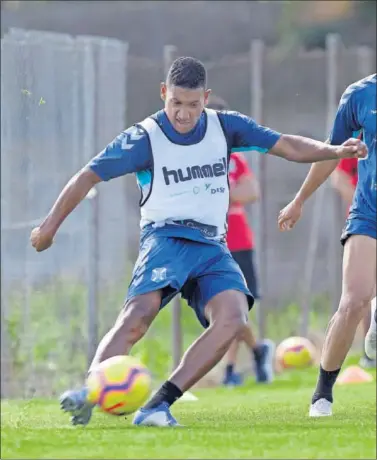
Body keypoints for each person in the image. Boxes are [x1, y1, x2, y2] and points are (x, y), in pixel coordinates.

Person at [30, 57, 367, 428]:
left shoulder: (227, 127)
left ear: (205, 98)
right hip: (166, 238)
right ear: (163, 94)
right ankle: (89, 392)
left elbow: (285, 145)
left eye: (192, 104)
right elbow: (86, 177)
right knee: (138, 317)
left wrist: (334, 150)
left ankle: (158, 406)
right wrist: (48, 227)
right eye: (176, 102)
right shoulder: (145, 137)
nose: (184, 113)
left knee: (233, 317)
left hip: (212, 246)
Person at [278, 74, 376, 417]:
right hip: (369, 213)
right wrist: (299, 199)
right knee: (353, 301)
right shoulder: (361, 96)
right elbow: (331, 152)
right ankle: (322, 394)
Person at [207, 97, 274, 385]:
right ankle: (258, 351)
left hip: (237, 240)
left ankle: (231, 369)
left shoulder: (235, 159)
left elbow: (251, 191)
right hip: (209, 241)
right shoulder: (195, 159)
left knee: (235, 306)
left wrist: (223, 194)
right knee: (224, 306)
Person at [331, 155, 376, 368]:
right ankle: (370, 352)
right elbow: (338, 176)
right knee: (362, 292)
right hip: (366, 224)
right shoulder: (361, 135)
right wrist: (364, 204)